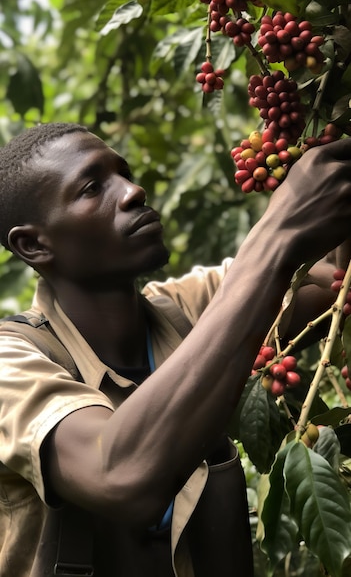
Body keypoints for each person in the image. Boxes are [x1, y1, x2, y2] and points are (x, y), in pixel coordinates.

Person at [0, 122, 351, 577]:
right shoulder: (12, 363)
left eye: (124, 174)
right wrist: (276, 233)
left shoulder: (187, 309)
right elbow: (119, 473)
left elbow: (332, 283)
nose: (133, 191)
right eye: (92, 188)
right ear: (34, 244)